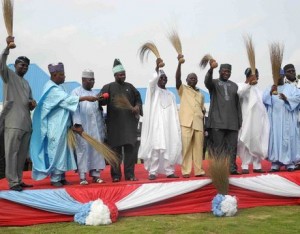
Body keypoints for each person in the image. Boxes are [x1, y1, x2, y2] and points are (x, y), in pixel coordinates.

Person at [30, 62, 98, 186]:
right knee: (55, 152)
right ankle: (55, 179)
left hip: (62, 127)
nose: (64, 77)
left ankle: (61, 176)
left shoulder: (59, 87)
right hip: (55, 127)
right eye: (62, 75)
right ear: (55, 75)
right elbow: (67, 100)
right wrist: (86, 98)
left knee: (63, 152)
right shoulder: (52, 89)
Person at [0, 36, 36, 191]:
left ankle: (19, 179)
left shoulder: (27, 83)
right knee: (11, 153)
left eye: (27, 66)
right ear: (15, 65)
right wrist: (7, 48)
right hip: (13, 122)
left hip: (26, 123)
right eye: (22, 65)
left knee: (21, 155)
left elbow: (30, 101)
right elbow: (1, 64)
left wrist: (32, 103)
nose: (24, 68)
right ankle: (13, 182)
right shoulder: (9, 76)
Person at [99, 59, 142, 182]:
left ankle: (130, 175)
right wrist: (102, 98)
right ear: (115, 75)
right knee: (115, 153)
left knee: (130, 152)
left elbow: (138, 100)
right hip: (115, 126)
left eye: (124, 73)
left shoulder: (130, 87)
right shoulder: (108, 87)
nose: (123, 76)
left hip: (129, 126)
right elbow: (101, 102)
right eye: (120, 74)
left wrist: (137, 107)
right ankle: (116, 176)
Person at [138, 59, 182, 180]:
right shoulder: (154, 91)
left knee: (169, 147)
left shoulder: (171, 94)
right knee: (156, 149)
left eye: (165, 78)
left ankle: (169, 171)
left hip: (169, 127)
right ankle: (153, 172)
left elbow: (174, 113)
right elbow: (151, 82)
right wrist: (156, 67)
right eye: (161, 77)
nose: (164, 79)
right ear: (157, 79)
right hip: (157, 125)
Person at [204, 60, 242, 175]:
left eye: (229, 72)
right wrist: (211, 69)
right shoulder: (214, 83)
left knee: (232, 148)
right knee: (218, 149)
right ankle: (218, 170)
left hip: (232, 123)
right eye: (224, 71)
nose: (226, 73)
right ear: (220, 71)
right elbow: (207, 81)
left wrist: (239, 121)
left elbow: (237, 105)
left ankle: (232, 168)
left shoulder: (235, 86)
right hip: (217, 122)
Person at [71, 69, 107, 185]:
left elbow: (98, 112)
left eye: (93, 80)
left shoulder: (95, 93)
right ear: (83, 80)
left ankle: (96, 175)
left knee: (96, 150)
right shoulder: (76, 92)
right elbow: (74, 110)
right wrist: (77, 124)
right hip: (82, 128)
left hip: (95, 129)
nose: (92, 82)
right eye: (90, 80)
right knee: (82, 150)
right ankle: (82, 177)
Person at [263, 67, 300, 172]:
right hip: (274, 120)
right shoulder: (270, 88)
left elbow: (298, 98)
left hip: (288, 118)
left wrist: (287, 99)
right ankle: (275, 163)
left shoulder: (291, 88)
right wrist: (270, 92)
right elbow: (264, 100)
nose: (279, 77)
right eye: (277, 76)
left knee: (288, 138)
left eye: (281, 75)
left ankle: (290, 163)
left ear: (284, 76)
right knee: (275, 139)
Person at [175, 55, 205, 178]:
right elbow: (177, 78)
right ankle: (186, 171)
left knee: (198, 149)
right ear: (187, 80)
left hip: (198, 123)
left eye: (195, 78)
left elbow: (202, 109)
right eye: (190, 78)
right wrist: (179, 64)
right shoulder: (183, 89)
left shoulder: (201, 94)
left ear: (197, 81)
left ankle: (199, 171)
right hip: (186, 122)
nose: (193, 80)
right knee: (186, 148)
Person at [237, 68, 269, 174]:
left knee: (257, 141)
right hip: (246, 119)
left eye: (257, 75)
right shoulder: (241, 86)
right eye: (254, 75)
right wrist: (248, 84)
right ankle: (245, 165)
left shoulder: (259, 90)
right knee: (245, 142)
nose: (256, 77)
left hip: (258, 121)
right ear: (248, 76)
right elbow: (239, 94)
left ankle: (257, 165)